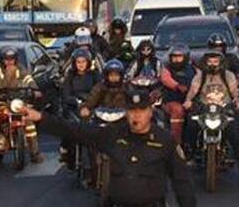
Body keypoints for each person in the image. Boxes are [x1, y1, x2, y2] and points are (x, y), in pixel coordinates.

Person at [22, 88, 197, 207]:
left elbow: (182, 181)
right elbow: (74, 130)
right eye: (132, 111)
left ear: (150, 112)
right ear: (126, 112)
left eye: (142, 111)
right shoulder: (113, 134)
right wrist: (40, 118)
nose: (137, 115)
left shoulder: (165, 140)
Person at [183, 51, 239, 185]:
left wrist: (238, 103)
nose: (213, 64)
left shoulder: (228, 75)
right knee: (190, 126)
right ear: (205, 62)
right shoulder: (200, 76)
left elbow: (234, 92)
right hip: (204, 108)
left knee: (236, 139)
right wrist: (188, 100)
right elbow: (193, 90)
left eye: (216, 61)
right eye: (210, 61)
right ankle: (190, 155)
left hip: (224, 108)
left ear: (221, 62)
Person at [0, 46, 44, 163]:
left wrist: (35, 90)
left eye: (12, 59)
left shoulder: (21, 68)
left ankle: (34, 153)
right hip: (3, 100)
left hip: (17, 101)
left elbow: (28, 79)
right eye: (7, 59)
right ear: (2, 60)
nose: (9, 62)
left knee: (29, 123)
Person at [61, 48, 101, 167]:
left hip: (92, 108)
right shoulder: (70, 76)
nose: (81, 64)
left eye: (83, 61)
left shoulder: (95, 75)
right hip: (74, 108)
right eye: (78, 62)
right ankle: (66, 151)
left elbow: (100, 90)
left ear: (88, 62)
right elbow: (66, 94)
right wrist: (74, 101)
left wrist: (93, 102)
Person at [160, 44, 197, 146]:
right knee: (178, 110)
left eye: (179, 57)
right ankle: (176, 145)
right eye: (174, 57)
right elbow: (165, 79)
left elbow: (201, 79)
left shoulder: (193, 69)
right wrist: (177, 86)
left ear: (185, 57)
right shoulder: (167, 69)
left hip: (191, 100)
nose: (176, 60)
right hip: (172, 100)